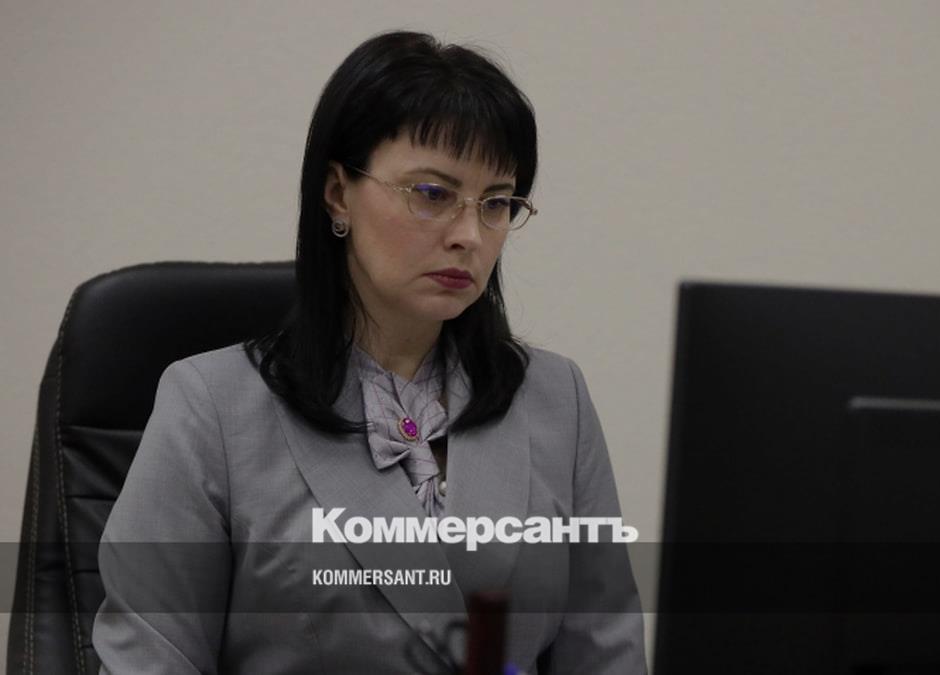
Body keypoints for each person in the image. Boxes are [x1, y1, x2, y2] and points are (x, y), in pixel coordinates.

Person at [92, 31, 646, 674]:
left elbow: (607, 656)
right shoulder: (211, 408)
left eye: (496, 202)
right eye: (432, 193)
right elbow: (149, 660)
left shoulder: (556, 398)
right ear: (338, 193)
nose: (470, 235)